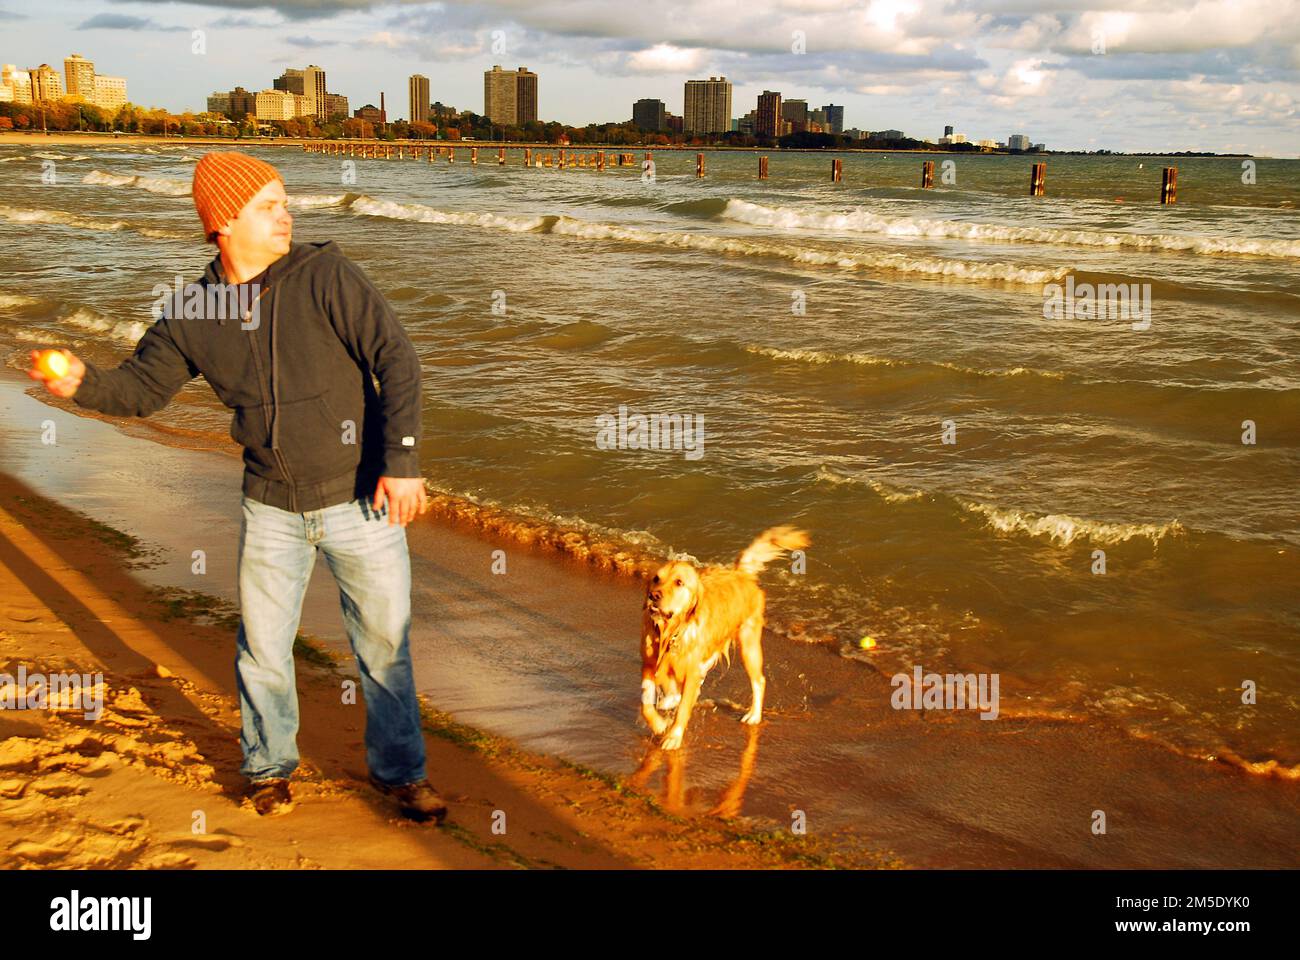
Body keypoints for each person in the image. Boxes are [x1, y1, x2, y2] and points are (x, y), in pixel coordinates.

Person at [28, 151, 447, 823]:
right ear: (224, 222)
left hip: (361, 497)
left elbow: (396, 358)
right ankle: (268, 769)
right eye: (269, 206)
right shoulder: (194, 308)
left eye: (284, 202)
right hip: (271, 504)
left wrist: (401, 462)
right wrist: (81, 384)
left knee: (384, 647)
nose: (288, 215)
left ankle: (400, 774)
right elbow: (140, 389)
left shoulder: (325, 276)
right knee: (263, 650)